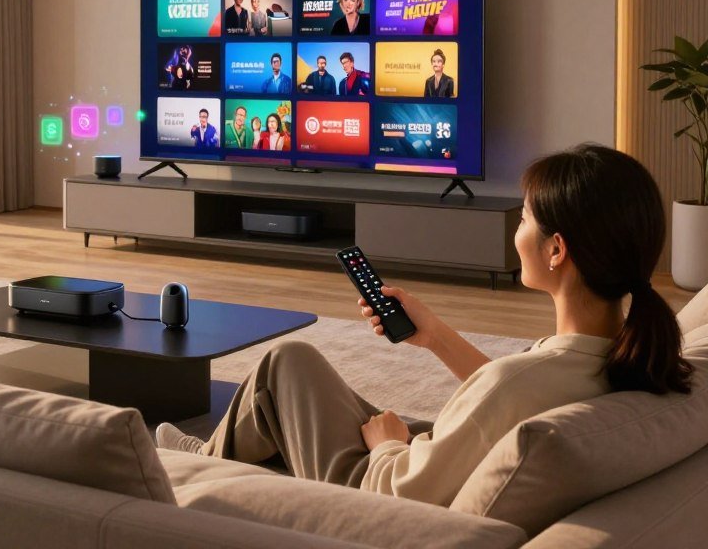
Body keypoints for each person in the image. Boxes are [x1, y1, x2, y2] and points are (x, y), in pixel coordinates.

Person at [157, 144, 692, 507]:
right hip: (435, 454)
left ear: (557, 250)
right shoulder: (628, 356)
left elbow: (398, 493)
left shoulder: (521, 382)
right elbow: (509, 395)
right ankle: (222, 452)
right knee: (301, 373)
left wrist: (388, 445)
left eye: (525, 217)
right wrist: (433, 334)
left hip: (372, 490)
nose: (517, 227)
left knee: (283, 365)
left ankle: (199, 467)